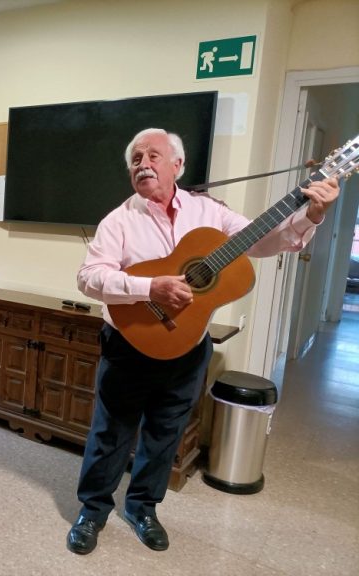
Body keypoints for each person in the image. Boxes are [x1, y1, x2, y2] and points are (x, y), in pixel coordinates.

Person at [67, 128, 339, 555]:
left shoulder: (209, 211)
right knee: (111, 433)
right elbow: (89, 278)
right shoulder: (118, 219)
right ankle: (92, 511)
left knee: (165, 432)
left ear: (178, 165)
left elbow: (265, 241)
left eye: (153, 155)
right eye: (135, 158)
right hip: (129, 344)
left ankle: (143, 508)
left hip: (189, 347)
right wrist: (149, 286)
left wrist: (312, 215)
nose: (142, 163)